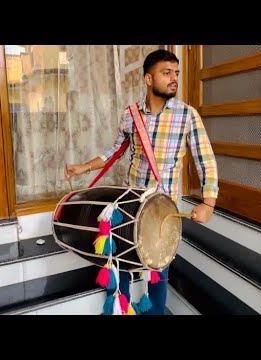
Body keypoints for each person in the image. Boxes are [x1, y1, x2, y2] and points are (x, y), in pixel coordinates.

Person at [65, 49, 218, 315]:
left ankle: (155, 310)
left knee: (159, 264)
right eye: (166, 73)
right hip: (130, 203)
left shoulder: (187, 115)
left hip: (163, 207)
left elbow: (206, 159)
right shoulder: (131, 114)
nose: (174, 79)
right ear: (149, 78)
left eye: (176, 73)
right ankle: (120, 308)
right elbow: (115, 151)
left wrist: (209, 203)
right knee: (122, 259)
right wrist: (84, 167)